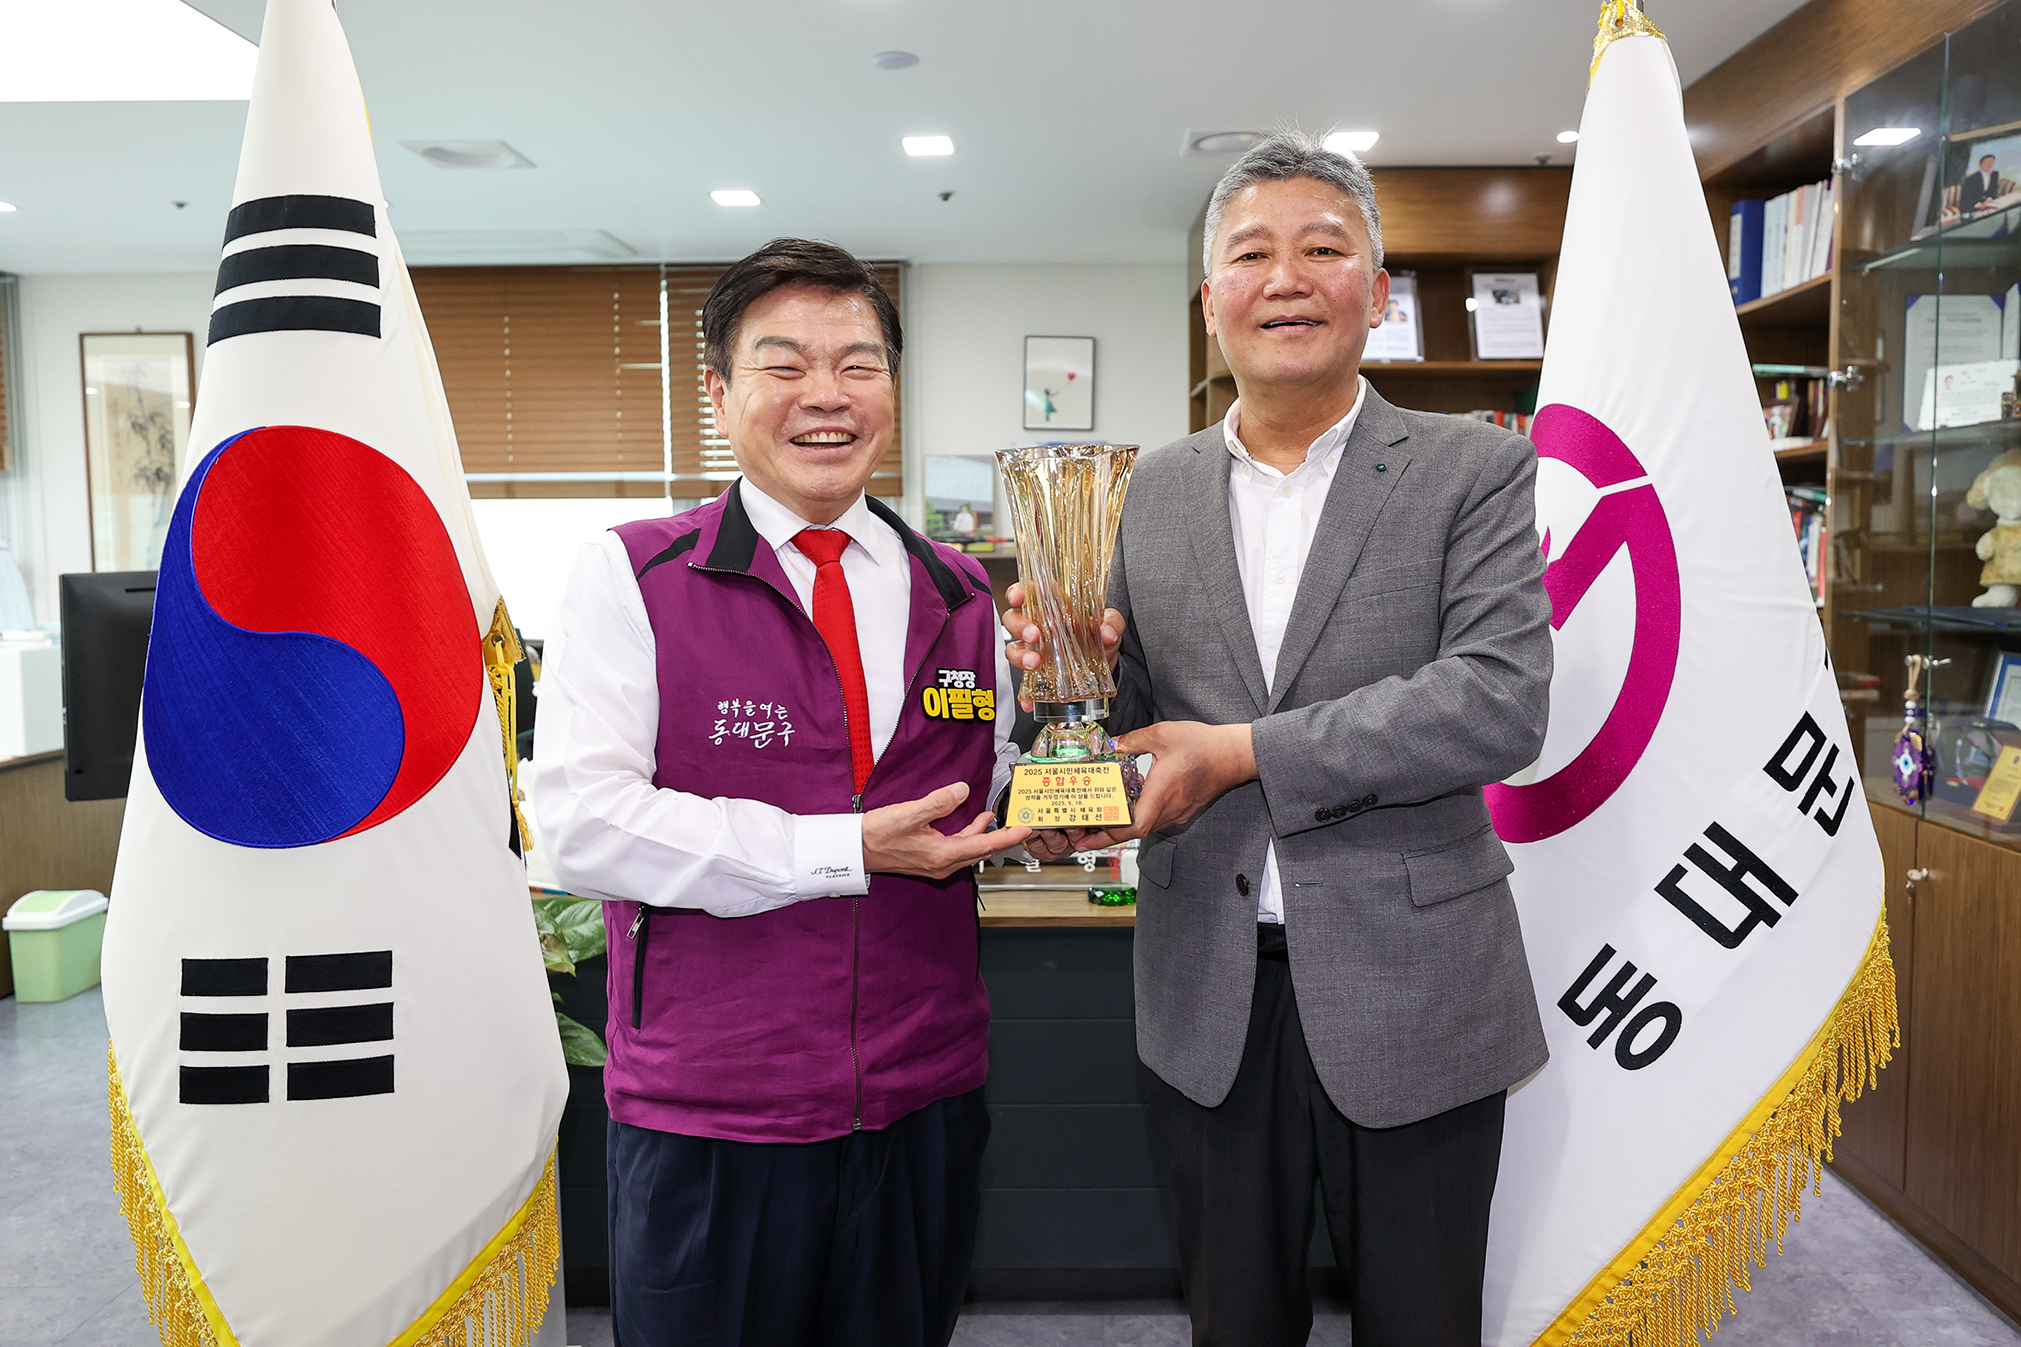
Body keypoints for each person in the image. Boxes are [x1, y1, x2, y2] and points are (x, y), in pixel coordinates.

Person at [1009, 131, 1553, 1346]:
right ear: (1211, 303)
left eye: (1322, 248)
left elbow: (1496, 698)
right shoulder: (1140, 491)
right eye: (1250, 254)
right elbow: (1135, 717)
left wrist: (1245, 752)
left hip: (1419, 987)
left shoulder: (1473, 469)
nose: (1286, 277)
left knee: (1420, 1324)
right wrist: (1063, 696)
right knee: (1232, 1324)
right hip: (1207, 990)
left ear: (1375, 287)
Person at [532, 237, 1031, 1347]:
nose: (825, 395)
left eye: (858, 363)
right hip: (714, 1112)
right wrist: (839, 847)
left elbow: (983, 792)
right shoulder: (632, 574)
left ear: (892, 390)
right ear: (718, 393)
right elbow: (578, 822)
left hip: (922, 1095)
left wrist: (1056, 792)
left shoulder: (960, 593)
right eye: (783, 363)